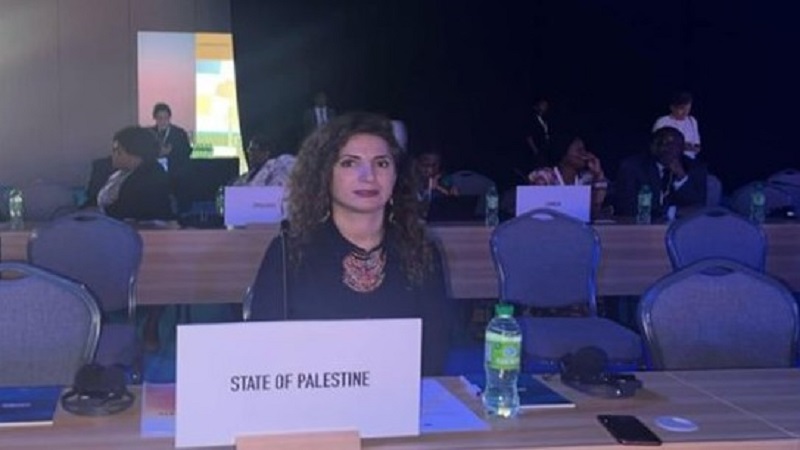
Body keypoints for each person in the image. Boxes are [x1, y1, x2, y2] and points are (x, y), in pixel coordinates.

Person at [250, 112, 453, 376]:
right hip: (311, 398)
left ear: (396, 175)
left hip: (400, 396)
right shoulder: (288, 253)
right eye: (349, 163)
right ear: (325, 174)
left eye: (381, 163)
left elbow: (434, 355)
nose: (368, 176)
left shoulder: (422, 252)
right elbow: (263, 353)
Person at [615, 126, 707, 218]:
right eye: (661, 143)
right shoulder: (633, 167)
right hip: (643, 224)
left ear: (682, 148)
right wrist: (671, 212)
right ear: (652, 146)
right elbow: (628, 206)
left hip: (682, 225)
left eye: (672, 144)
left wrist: (681, 177)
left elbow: (698, 206)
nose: (666, 148)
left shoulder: (694, 168)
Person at [96, 126, 173, 221]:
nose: (113, 155)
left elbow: (127, 212)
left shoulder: (150, 178)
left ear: (136, 154)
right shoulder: (118, 173)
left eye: (118, 151)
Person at [527, 133, 609, 214]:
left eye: (584, 150)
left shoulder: (587, 179)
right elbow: (535, 209)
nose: (584, 155)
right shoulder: (544, 176)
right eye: (579, 150)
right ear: (564, 154)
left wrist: (598, 175)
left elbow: (595, 209)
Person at [232, 134, 296, 187]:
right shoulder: (247, 175)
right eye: (249, 150)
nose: (250, 153)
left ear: (266, 152)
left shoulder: (278, 167)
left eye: (253, 150)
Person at [652, 91, 702, 159]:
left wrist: (692, 147)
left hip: (689, 160)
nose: (685, 112)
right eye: (682, 109)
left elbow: (697, 145)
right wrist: (681, 146)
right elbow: (656, 145)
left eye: (688, 109)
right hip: (669, 160)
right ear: (672, 107)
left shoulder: (692, 121)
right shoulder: (662, 122)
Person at [150, 102, 193, 172]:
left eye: (166, 118)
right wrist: (158, 152)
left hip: (175, 171)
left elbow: (186, 152)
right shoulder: (150, 134)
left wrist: (171, 152)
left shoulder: (180, 133)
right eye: (160, 118)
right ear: (155, 118)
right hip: (155, 172)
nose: (163, 121)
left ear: (170, 117)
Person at [524, 97, 551, 171]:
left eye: (546, 106)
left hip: (544, 148)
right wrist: (535, 149)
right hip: (536, 149)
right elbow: (529, 135)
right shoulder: (532, 118)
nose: (545, 107)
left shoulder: (544, 119)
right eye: (543, 105)